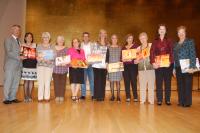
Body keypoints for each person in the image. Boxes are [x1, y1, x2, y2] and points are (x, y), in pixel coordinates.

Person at [150, 24, 174, 105]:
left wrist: (170, 62)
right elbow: (152, 52)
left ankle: (167, 99)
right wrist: (153, 62)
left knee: (168, 83)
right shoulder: (155, 41)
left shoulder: (169, 40)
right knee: (159, 83)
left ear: (165, 31)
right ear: (158, 31)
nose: (162, 30)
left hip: (167, 66)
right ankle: (159, 99)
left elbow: (171, 52)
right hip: (158, 65)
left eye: (163, 29)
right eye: (160, 29)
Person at [173, 26, 196, 107]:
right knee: (180, 85)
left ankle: (187, 102)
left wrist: (192, 67)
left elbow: (192, 54)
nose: (181, 34)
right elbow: (174, 57)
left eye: (182, 32)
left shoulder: (190, 41)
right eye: (179, 32)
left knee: (187, 84)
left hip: (187, 67)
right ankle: (181, 101)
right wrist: (174, 69)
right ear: (177, 34)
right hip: (178, 67)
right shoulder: (175, 44)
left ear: (185, 33)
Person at [3, 25, 24, 104]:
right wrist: (20, 57)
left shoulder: (19, 41)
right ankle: (6, 99)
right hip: (10, 65)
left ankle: (13, 97)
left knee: (16, 82)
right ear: (12, 30)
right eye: (16, 30)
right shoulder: (8, 40)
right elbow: (9, 52)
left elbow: (21, 53)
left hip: (18, 65)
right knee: (8, 81)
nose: (18, 31)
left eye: (19, 30)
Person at [135, 32, 155, 104]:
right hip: (141, 69)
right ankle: (142, 100)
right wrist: (136, 61)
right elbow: (137, 59)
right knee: (142, 86)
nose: (142, 40)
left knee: (151, 86)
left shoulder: (151, 45)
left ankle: (151, 100)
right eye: (141, 38)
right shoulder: (138, 48)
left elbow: (155, 55)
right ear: (139, 40)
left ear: (147, 38)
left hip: (151, 68)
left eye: (144, 38)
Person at [36, 32, 55, 102]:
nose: (45, 38)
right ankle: (40, 98)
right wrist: (37, 57)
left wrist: (50, 59)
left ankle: (47, 97)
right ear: (42, 38)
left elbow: (54, 55)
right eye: (44, 37)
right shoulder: (39, 46)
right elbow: (36, 55)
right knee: (41, 82)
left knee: (47, 82)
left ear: (49, 38)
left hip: (49, 66)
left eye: (47, 37)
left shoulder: (52, 46)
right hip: (40, 66)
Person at [122, 34, 139, 102]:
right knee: (126, 81)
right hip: (125, 66)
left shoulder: (136, 46)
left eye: (131, 38)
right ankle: (128, 96)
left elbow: (139, 55)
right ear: (126, 39)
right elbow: (121, 58)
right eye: (129, 38)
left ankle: (135, 96)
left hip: (133, 66)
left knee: (133, 81)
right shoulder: (123, 48)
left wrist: (136, 59)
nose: (130, 39)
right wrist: (123, 60)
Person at [92, 29, 108, 101]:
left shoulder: (108, 44)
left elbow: (108, 55)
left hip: (104, 65)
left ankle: (101, 96)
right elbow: (93, 53)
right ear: (99, 34)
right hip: (96, 65)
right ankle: (96, 96)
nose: (103, 34)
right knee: (96, 80)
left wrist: (107, 64)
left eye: (104, 33)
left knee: (103, 81)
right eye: (101, 33)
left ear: (106, 35)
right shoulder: (95, 43)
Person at [21, 32, 37, 102]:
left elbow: (37, 55)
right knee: (26, 81)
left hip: (33, 65)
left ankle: (30, 96)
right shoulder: (22, 45)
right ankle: (25, 96)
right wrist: (22, 56)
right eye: (28, 37)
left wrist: (36, 55)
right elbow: (20, 55)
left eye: (30, 37)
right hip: (25, 65)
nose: (29, 38)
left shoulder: (35, 45)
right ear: (25, 38)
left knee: (31, 81)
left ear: (32, 38)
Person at [106, 34, 122, 102]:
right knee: (111, 82)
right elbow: (107, 57)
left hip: (118, 67)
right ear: (111, 39)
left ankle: (118, 96)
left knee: (118, 82)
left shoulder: (120, 47)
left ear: (117, 39)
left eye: (115, 38)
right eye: (113, 38)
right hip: (111, 66)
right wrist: (107, 65)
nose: (114, 39)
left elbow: (122, 57)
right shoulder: (108, 48)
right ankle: (112, 96)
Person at [53, 36, 68, 102]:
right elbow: (51, 57)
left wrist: (65, 63)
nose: (60, 41)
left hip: (63, 68)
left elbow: (68, 58)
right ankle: (57, 96)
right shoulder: (53, 48)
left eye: (62, 39)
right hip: (55, 68)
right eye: (59, 39)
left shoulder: (66, 48)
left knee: (63, 83)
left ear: (63, 41)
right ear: (56, 40)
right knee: (56, 83)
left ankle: (61, 96)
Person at [80, 32, 94, 100]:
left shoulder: (92, 45)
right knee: (83, 80)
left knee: (92, 80)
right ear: (82, 37)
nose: (85, 37)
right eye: (84, 36)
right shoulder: (80, 45)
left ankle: (93, 94)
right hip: (82, 64)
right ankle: (83, 95)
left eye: (87, 36)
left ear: (89, 37)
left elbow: (94, 54)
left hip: (91, 64)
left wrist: (90, 62)